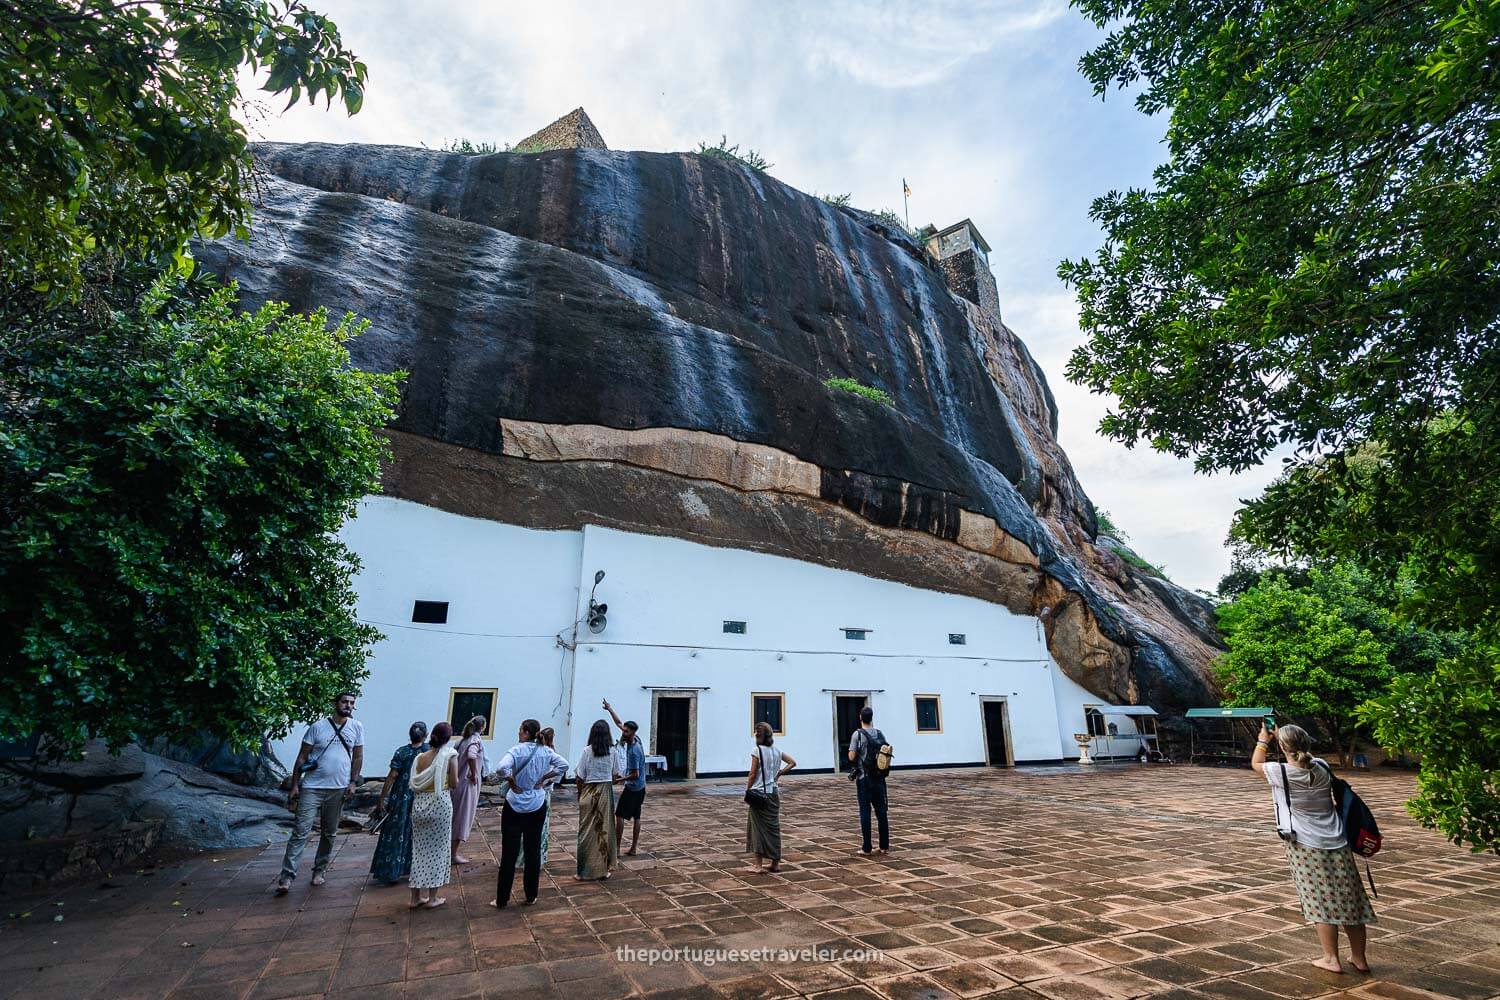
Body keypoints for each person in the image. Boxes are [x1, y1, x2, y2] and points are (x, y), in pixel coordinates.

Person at [1252, 723, 1375, 974]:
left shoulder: (1281, 772)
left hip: (1306, 843)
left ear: (1283, 747)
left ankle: (1331, 958)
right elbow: (1302, 757)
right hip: (1337, 839)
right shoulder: (1322, 766)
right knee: (1351, 900)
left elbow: (1256, 762)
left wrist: (1264, 740)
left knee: (1320, 901)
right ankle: (1359, 958)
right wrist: (1284, 739)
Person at [275, 692, 365, 894]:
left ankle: (319, 871)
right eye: (344, 702)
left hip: (339, 787)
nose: (348, 706)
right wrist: (295, 785)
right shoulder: (317, 727)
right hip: (312, 787)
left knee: (329, 833)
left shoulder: (357, 727)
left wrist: (353, 782)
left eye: (351, 703)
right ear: (336, 703)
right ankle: (286, 877)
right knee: (300, 831)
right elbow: (302, 757)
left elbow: (358, 756)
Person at [491, 719, 570, 908]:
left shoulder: (516, 750)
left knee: (509, 852)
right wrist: (544, 777)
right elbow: (564, 765)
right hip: (536, 802)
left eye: (520, 730)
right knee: (532, 851)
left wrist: (510, 779)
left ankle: (502, 898)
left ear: (526, 732)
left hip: (515, 802)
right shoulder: (546, 751)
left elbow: (501, 767)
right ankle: (531, 895)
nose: (518, 733)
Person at [369, 721, 429, 884]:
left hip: (400, 795)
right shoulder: (428, 751)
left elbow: (392, 776)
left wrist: (382, 799)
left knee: (395, 831)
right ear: (426, 735)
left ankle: (390, 870)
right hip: (420, 794)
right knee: (416, 832)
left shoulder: (401, 752)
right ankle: (413, 869)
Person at [408, 721, 459, 909]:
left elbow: (414, 782)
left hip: (420, 804)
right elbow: (454, 783)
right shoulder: (449, 755)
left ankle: (414, 897)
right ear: (448, 738)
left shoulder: (420, 757)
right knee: (439, 850)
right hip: (440, 803)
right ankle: (432, 897)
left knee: (419, 850)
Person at [574, 719, 623, 880]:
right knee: (604, 830)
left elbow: (580, 775)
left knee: (586, 831)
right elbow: (617, 774)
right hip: (605, 793)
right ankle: (603, 869)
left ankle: (583, 872)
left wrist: (580, 792)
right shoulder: (613, 751)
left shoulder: (587, 751)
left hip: (589, 790)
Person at [745, 720, 796, 874]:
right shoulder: (776, 751)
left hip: (759, 794)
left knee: (757, 829)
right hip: (773, 793)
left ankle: (758, 865)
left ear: (758, 735)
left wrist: (748, 789)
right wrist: (778, 773)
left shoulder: (757, 750)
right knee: (773, 828)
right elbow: (792, 763)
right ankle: (775, 863)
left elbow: (752, 773)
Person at [603, 698, 647, 855]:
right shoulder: (636, 739)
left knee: (620, 815)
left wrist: (619, 780)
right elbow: (619, 723)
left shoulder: (634, 751)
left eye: (626, 731)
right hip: (641, 787)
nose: (623, 732)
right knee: (637, 816)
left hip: (634, 787)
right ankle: (633, 848)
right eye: (624, 730)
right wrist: (610, 709)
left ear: (632, 733)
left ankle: (618, 848)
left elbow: (635, 774)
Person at [848, 706, 890, 856]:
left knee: (865, 812)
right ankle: (884, 846)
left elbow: (852, 757)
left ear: (860, 717)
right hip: (879, 778)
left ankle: (867, 847)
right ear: (872, 718)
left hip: (864, 779)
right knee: (881, 812)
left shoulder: (857, 735)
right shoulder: (879, 733)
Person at [517, 727, 558, 870]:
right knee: (540, 827)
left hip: (529, 791)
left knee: (525, 825)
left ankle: (522, 857)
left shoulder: (534, 751)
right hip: (543, 792)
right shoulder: (549, 753)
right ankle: (537, 857)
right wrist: (544, 780)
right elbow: (558, 774)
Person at [450, 715, 487, 864]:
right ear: (483, 727)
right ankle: (453, 854)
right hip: (467, 785)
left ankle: (448, 852)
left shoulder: (461, 741)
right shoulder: (475, 740)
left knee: (453, 818)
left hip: (456, 784)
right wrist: (473, 773)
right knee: (462, 819)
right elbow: (472, 756)